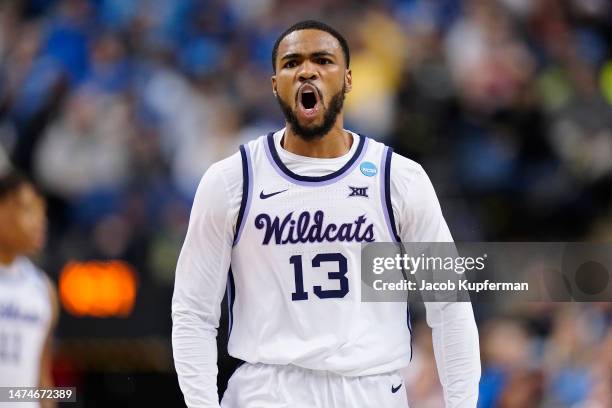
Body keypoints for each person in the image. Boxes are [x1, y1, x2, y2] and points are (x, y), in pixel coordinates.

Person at [172, 20, 480, 408]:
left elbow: (450, 304)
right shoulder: (231, 181)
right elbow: (193, 312)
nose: (306, 70)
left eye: (322, 59)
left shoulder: (398, 178)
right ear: (274, 84)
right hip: (268, 390)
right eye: (291, 62)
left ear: (349, 80)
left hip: (371, 389)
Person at [0, 167, 58, 408]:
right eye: (29, 209)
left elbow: (43, 379)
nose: (40, 221)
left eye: (42, 212)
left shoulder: (43, 289)